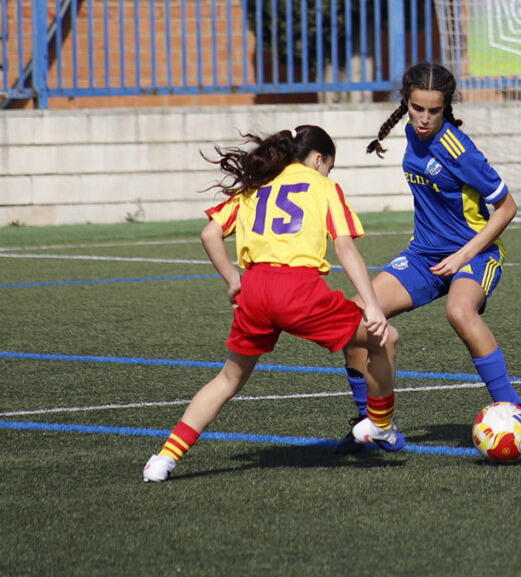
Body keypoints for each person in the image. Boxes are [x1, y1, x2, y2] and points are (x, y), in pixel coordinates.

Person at [142, 125, 403, 483]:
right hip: (298, 290)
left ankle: (163, 459)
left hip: (255, 289)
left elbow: (209, 233)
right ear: (317, 159)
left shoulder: (256, 186)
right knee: (385, 338)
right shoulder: (323, 186)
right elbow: (345, 246)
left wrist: (234, 281)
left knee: (229, 378)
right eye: (328, 166)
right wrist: (372, 306)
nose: (328, 173)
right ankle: (380, 425)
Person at [336, 62, 521, 453]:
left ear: (445, 107)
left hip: (475, 253)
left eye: (433, 111)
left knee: (459, 312)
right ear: (406, 102)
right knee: (355, 319)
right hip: (423, 255)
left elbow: (507, 207)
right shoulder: (410, 133)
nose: (423, 119)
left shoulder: (460, 150)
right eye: (417, 108)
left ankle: (512, 411)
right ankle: (369, 425)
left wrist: (462, 256)